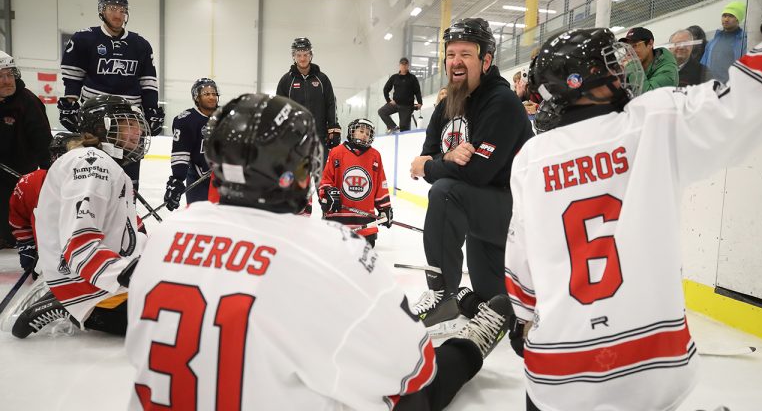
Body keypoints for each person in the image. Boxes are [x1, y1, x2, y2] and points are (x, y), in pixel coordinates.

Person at [125, 93, 512, 410]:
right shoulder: (332, 250)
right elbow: (412, 373)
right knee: (414, 396)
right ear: (304, 167)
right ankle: (472, 341)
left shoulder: (168, 232)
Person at [505, 25, 762, 411]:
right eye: (610, 67)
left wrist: (523, 319)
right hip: (653, 365)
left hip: (559, 371)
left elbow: (521, 272)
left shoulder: (531, 157)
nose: (622, 73)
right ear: (578, 81)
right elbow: (745, 104)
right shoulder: (654, 118)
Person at [409, 18, 533, 335]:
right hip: (482, 214)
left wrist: (434, 165)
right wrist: (445, 159)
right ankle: (465, 299)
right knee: (494, 304)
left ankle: (444, 295)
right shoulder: (447, 103)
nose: (456, 62)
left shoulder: (501, 102)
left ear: (486, 60)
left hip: (516, 216)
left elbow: (477, 171)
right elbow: (427, 158)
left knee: (447, 192)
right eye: (450, 54)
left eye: (465, 53)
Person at [10, 95, 150, 339]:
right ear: (100, 127)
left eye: (137, 124)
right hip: (88, 283)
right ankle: (66, 305)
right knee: (165, 322)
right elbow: (79, 244)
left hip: (97, 276)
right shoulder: (93, 164)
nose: (136, 132)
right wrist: (130, 273)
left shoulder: (100, 162)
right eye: (128, 124)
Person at [58, 0, 163, 191]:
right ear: (102, 11)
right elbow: (73, 77)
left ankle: (127, 209)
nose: (118, 15)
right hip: (95, 117)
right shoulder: (84, 38)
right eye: (112, 9)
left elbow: (148, 81)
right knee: (95, 169)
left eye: (122, 10)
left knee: (129, 172)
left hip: (129, 118)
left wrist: (152, 110)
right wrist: (70, 104)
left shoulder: (140, 44)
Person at [8, 132, 84, 279]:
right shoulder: (30, 183)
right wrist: (27, 244)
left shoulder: (103, 180)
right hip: (52, 256)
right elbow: (18, 219)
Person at [0, 51, 52, 249]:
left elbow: (44, 143)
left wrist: (50, 178)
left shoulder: (28, 102)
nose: (7, 81)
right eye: (1, 76)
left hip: (19, 177)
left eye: (10, 74)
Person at [319, 118, 393, 248]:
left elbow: (380, 183)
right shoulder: (336, 152)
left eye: (368, 133)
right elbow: (326, 179)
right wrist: (328, 193)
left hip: (365, 222)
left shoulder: (375, 156)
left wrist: (385, 208)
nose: (365, 135)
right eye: (361, 131)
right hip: (338, 218)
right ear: (352, 132)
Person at [276, 37, 341, 160]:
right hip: (294, 138)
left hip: (319, 136)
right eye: (298, 55)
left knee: (320, 174)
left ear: (311, 55)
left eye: (305, 54)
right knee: (297, 176)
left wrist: (334, 129)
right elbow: (279, 108)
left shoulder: (322, 79)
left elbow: (331, 104)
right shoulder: (286, 81)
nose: (302, 58)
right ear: (293, 56)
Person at [164, 78, 219, 211]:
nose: (212, 97)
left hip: (223, 178)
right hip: (197, 177)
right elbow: (181, 154)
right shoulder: (185, 120)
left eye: (214, 93)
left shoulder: (227, 116)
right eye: (206, 94)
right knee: (198, 218)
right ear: (197, 97)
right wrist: (177, 180)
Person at [619, 27, 679, 91]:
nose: (629, 52)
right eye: (627, 47)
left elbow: (647, 97)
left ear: (650, 44)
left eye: (634, 45)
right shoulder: (632, 66)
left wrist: (632, 67)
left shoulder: (668, 69)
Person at [700, 1, 747, 83]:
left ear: (738, 19)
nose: (726, 19)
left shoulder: (745, 41)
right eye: (724, 16)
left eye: (731, 16)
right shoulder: (712, 42)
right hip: (711, 86)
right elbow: (702, 66)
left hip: (732, 86)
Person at [378, 57, 423, 134]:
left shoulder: (412, 78)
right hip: (395, 104)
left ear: (408, 65)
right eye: (402, 64)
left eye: (405, 64)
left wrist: (420, 102)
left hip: (407, 106)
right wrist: (389, 100)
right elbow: (386, 89)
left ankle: (405, 142)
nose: (404, 66)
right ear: (399, 65)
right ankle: (393, 127)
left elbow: (417, 91)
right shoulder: (394, 77)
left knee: (404, 128)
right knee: (382, 111)